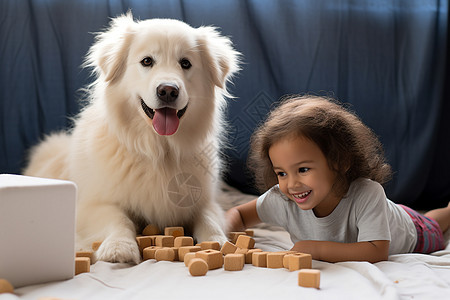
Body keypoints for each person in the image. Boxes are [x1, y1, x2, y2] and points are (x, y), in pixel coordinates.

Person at [226, 95, 450, 263]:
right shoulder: (282, 198)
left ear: (340, 161)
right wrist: (227, 237)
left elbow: (376, 251)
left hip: (412, 229)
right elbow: (238, 214)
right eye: (281, 173)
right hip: (383, 214)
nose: (291, 184)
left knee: (434, 225)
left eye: (303, 169)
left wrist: (315, 249)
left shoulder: (367, 193)